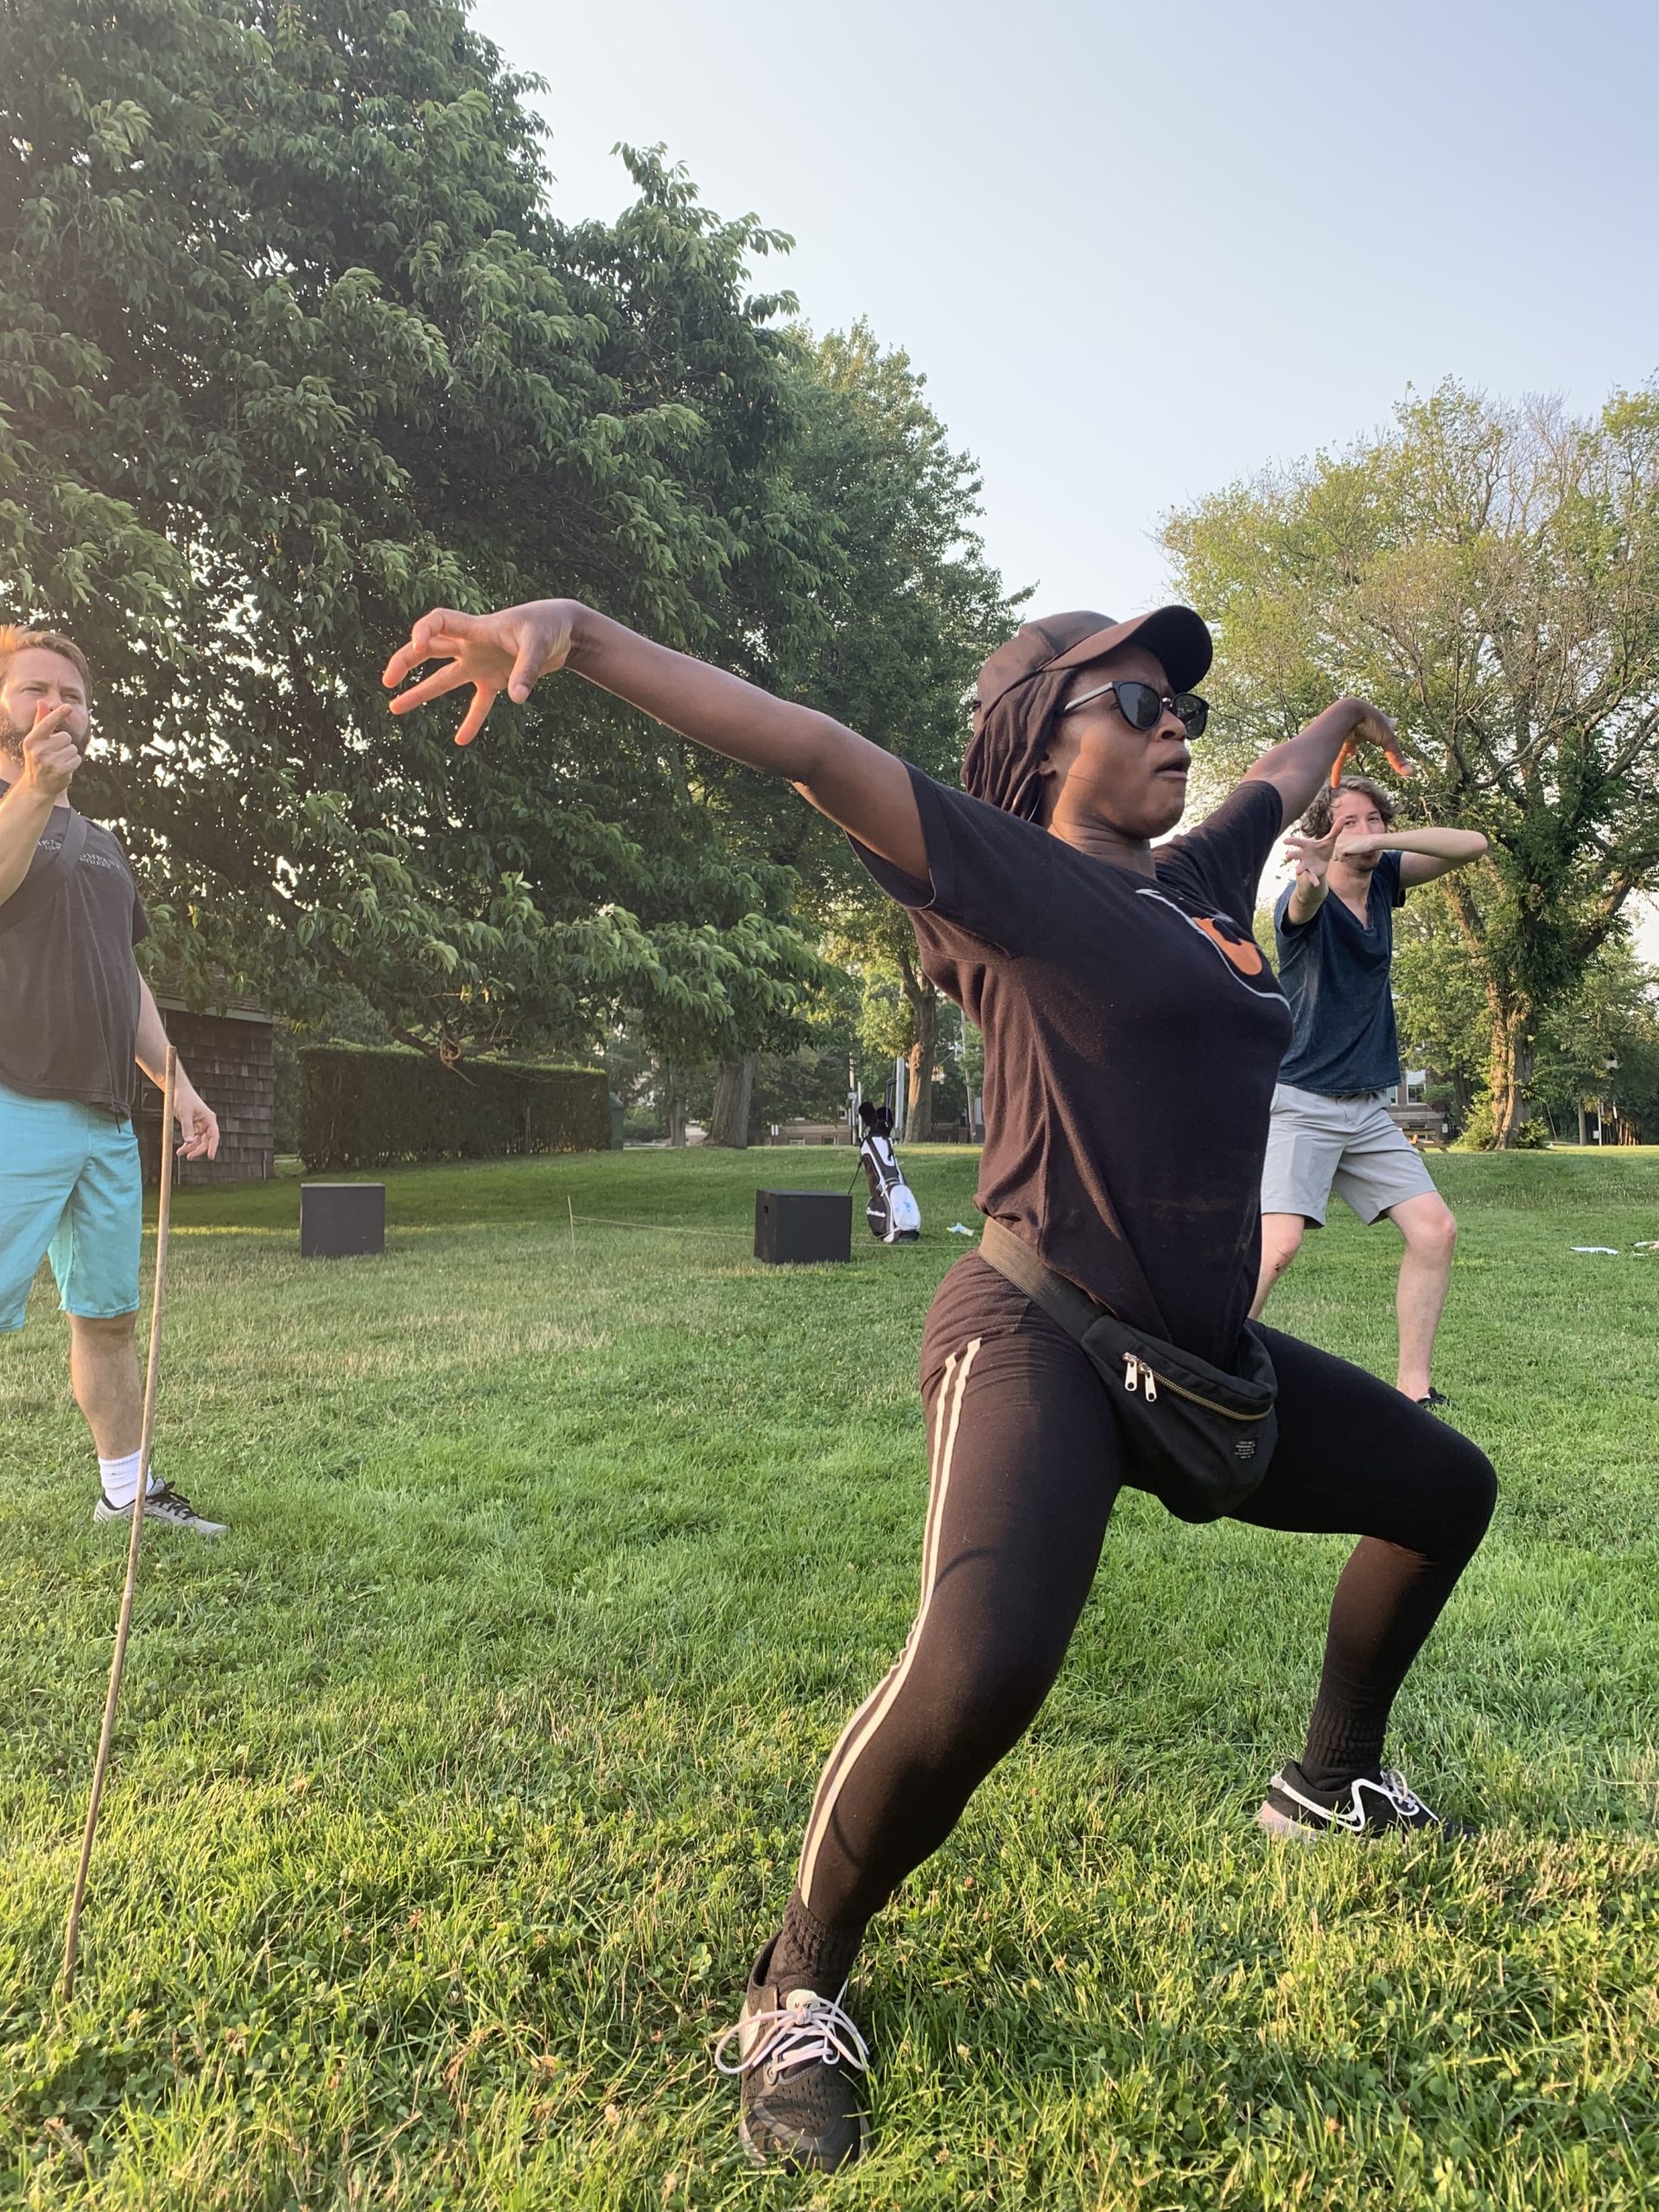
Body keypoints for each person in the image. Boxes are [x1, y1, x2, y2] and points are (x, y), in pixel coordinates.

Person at [383, 596, 1498, 2175]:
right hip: (1036, 1331)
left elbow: (1276, 782)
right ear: (1049, 734)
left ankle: (1328, 1783)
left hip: (1200, 1359)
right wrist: (576, 633)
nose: (1176, 716)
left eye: (1185, 696)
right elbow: (813, 749)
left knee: (1443, 1490)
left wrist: (1350, 714)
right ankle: (795, 1991)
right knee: (980, 1672)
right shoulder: (1005, 878)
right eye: (1135, 694)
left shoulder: (1190, 887)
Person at [0, 626, 226, 1535]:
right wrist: (30, 788)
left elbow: (121, 975)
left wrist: (177, 1081)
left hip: (105, 1118)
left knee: (108, 1320)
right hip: (16, 1102)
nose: (58, 705)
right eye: (34, 689)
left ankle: (127, 1499)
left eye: (75, 695)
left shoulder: (103, 842)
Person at [1252, 776, 1489, 1408]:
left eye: (1374, 819)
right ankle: (1206, 1368)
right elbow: (1303, 902)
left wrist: (1379, 840)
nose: (1365, 831)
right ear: (1326, 832)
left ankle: (1414, 1391)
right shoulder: (1303, 898)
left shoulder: (1385, 881)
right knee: (1276, 1251)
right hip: (1300, 1100)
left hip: (1365, 1107)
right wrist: (1316, 869)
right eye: (1348, 821)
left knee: (1435, 1231)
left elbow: (1473, 843)